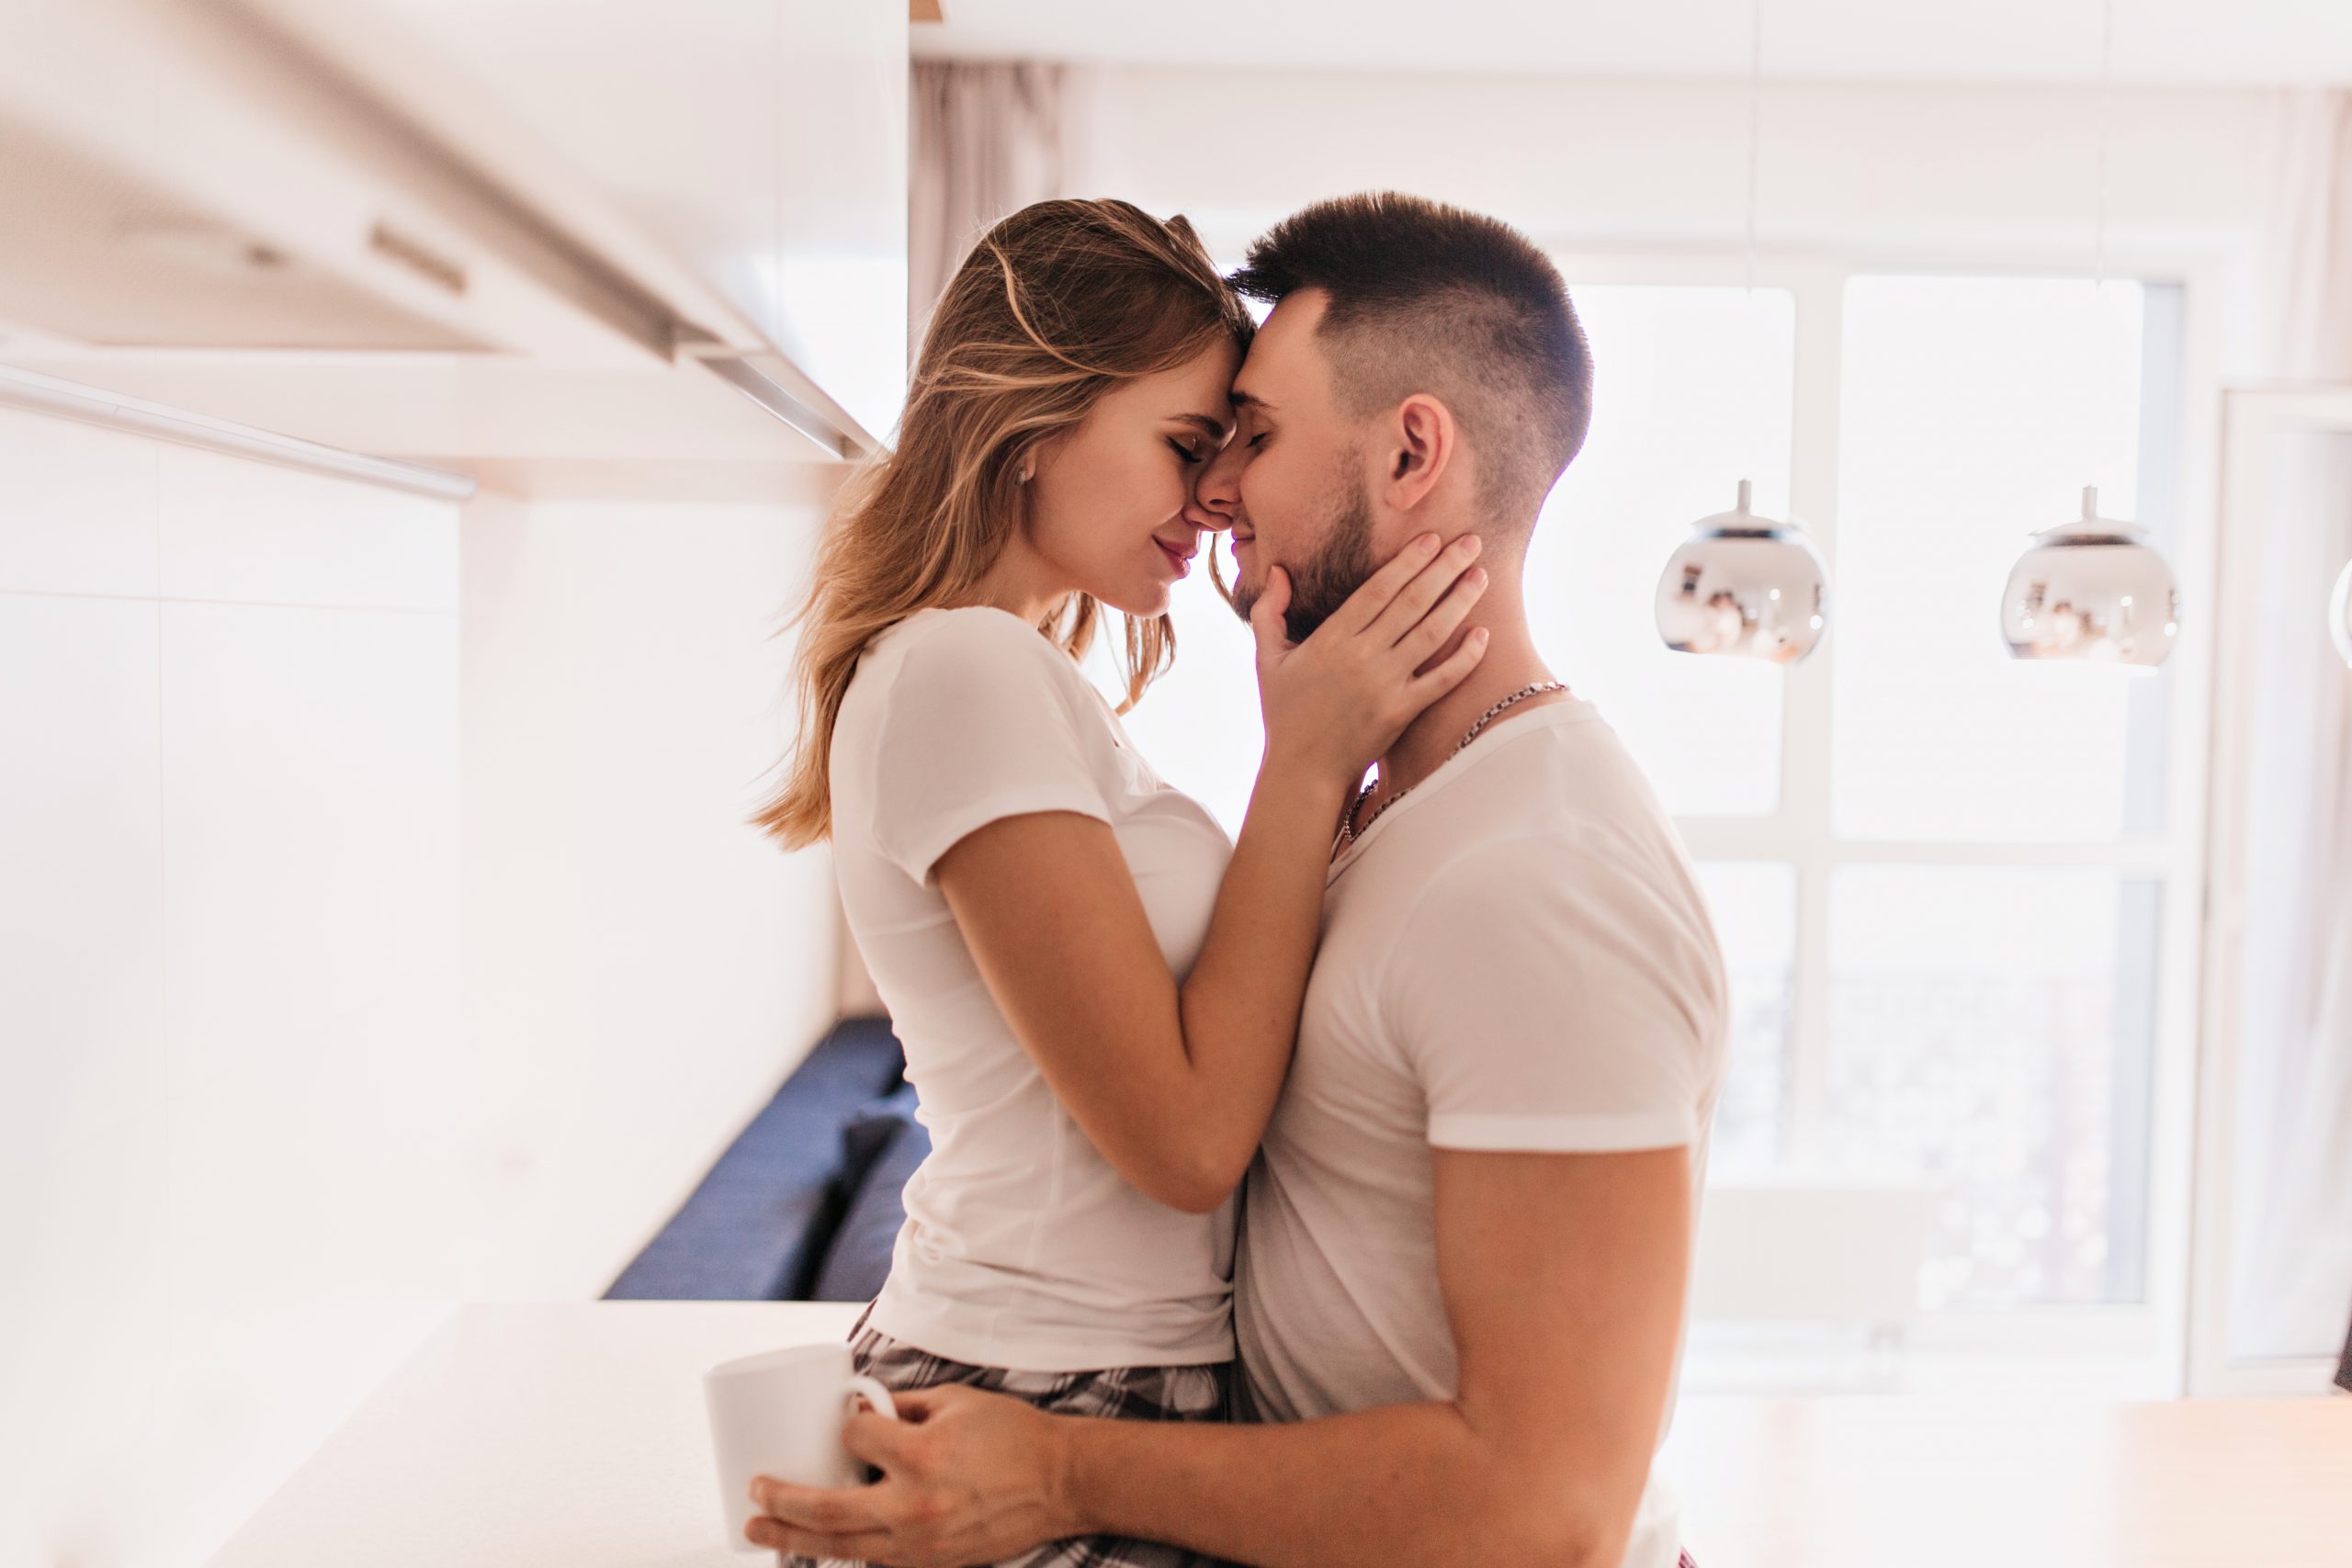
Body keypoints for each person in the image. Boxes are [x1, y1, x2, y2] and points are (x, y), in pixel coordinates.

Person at [748, 193, 1731, 1568]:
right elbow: (1193, 1131)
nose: (1216, 499)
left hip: (1095, 1420)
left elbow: (1546, 1507)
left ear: (1410, 453)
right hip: (1063, 1397)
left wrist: (1312, 759)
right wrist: (1312, 763)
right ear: (1037, 422)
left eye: (1247, 441)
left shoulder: (1537, 872)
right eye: (1193, 443)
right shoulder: (1370, 798)